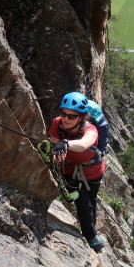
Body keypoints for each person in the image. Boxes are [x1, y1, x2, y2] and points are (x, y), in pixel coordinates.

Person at [50, 92, 106, 251]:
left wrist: (64, 143)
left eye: (72, 116)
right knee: (83, 204)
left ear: (81, 117)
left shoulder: (91, 129)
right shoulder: (57, 124)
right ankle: (91, 237)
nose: (66, 119)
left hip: (93, 172)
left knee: (91, 202)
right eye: (63, 113)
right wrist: (57, 149)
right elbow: (57, 150)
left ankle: (91, 230)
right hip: (70, 171)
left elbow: (82, 145)